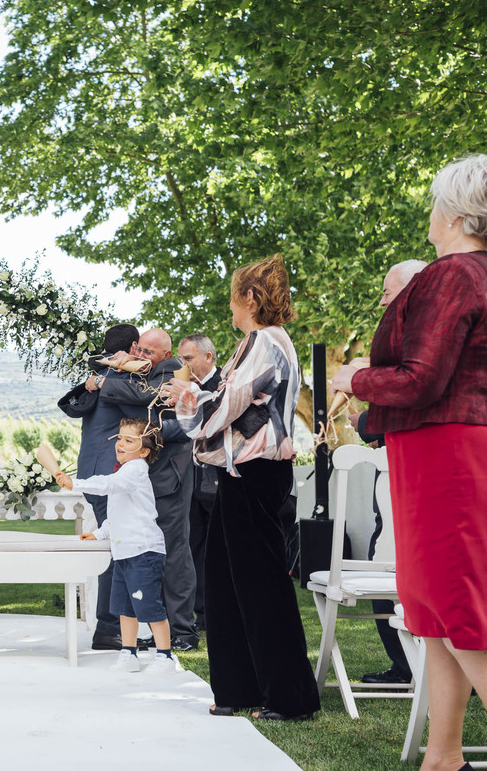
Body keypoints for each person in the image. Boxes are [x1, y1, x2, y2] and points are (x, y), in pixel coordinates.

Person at [332, 154, 487, 771]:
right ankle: (443, 757)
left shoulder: (454, 274)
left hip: (448, 455)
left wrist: (356, 375)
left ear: (455, 210)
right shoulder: (481, 273)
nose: (429, 211)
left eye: (433, 200)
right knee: (436, 617)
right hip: (439, 452)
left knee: (467, 621)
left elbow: (420, 379)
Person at [176, 253, 320, 721]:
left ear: (251, 299)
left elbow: (227, 404)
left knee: (261, 586)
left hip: (256, 474)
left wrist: (186, 404)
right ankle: (240, 688)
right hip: (244, 475)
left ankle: (289, 697)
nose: (231, 309)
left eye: (235, 299)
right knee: (225, 582)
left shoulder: (264, 342)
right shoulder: (264, 341)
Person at [93, 328, 197, 651]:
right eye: (140, 350)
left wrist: (150, 433)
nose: (142, 357)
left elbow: (183, 424)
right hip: (144, 481)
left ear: (165, 355)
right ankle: (160, 626)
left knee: (174, 552)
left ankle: (183, 630)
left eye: (150, 353)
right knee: (149, 554)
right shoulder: (140, 372)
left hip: (170, 477)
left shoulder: (172, 371)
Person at [350, 259, 426, 688]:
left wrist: (367, 415)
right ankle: (410, 664)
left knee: (385, 569)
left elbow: (376, 421)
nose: (381, 300)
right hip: (398, 475)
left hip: (408, 482)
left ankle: (408, 666)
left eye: (386, 292)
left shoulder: (411, 347)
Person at [57, 419, 175, 674]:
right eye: (119, 438)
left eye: (129, 440)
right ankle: (128, 653)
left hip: (144, 552)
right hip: (124, 553)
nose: (120, 444)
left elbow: (107, 485)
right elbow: (118, 515)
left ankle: (165, 656)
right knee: (125, 607)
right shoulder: (125, 472)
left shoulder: (135, 470)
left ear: (144, 451)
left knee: (149, 606)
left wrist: (75, 483)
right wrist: (100, 533)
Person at [57, 323, 139, 651]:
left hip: (92, 471)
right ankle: (108, 628)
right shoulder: (119, 376)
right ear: (132, 347)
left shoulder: (98, 375)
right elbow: (141, 411)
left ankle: (111, 626)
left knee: (114, 543)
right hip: (109, 475)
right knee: (118, 548)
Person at [164, 333, 219, 632]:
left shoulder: (223, 386)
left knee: (215, 552)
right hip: (186, 482)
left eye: (188, 358)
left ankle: (214, 616)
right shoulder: (179, 387)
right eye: (181, 359)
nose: (182, 364)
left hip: (216, 482)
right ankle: (196, 612)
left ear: (208, 358)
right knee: (192, 549)